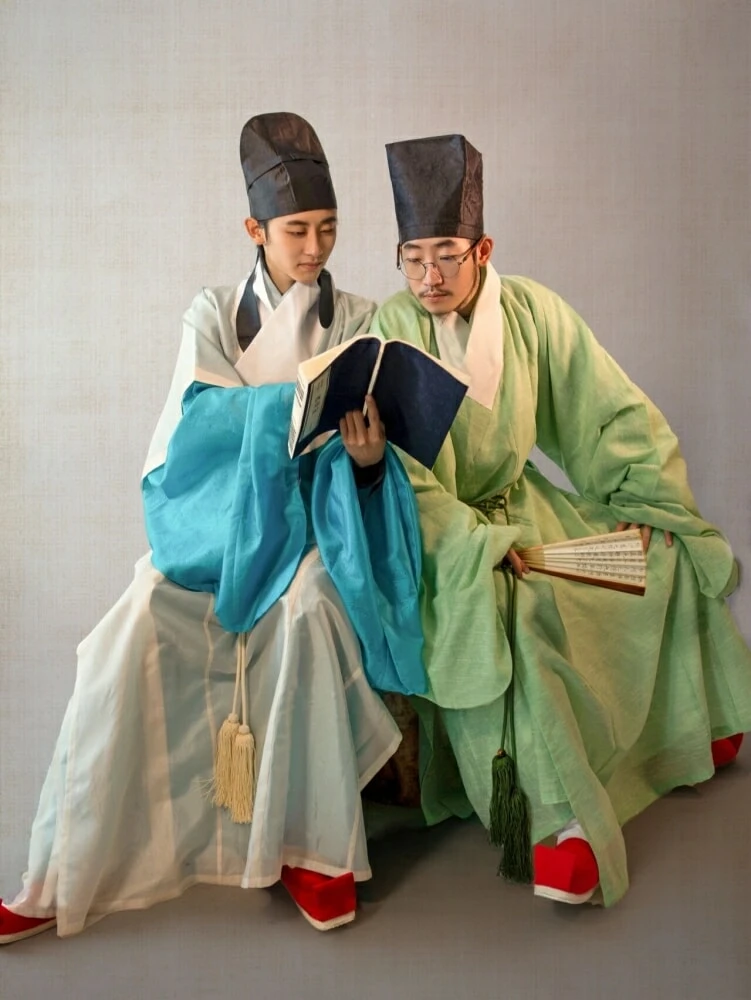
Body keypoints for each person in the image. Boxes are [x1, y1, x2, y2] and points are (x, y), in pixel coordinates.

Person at [0, 112, 426, 943]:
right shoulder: (212, 314)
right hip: (219, 526)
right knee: (130, 623)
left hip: (314, 524)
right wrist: (286, 406)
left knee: (307, 611)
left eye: (328, 228)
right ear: (254, 229)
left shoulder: (358, 315)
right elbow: (192, 428)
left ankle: (314, 850)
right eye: (297, 230)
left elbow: (354, 434)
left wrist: (366, 458)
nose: (314, 248)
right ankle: (60, 866)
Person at [369, 132, 751, 906]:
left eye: (446, 255)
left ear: (482, 249)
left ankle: (693, 727)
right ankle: (559, 823)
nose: (429, 277)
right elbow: (404, 478)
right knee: (521, 618)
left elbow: (603, 412)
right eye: (413, 259)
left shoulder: (531, 312)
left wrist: (640, 499)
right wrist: (477, 546)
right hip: (443, 540)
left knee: (657, 557)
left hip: (526, 509)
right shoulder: (390, 327)